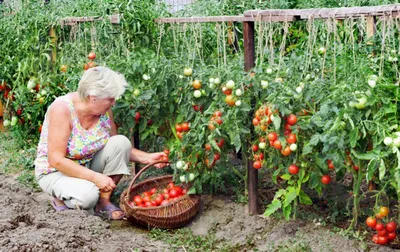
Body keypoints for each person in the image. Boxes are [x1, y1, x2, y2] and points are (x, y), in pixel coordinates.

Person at [34, 66, 168, 220]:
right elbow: (56, 159)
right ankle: (62, 199)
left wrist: (148, 158)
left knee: (121, 142)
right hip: (56, 172)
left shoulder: (103, 110)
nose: (114, 102)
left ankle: (103, 202)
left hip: (87, 164)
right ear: (93, 98)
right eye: (110, 98)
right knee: (88, 196)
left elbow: (117, 148)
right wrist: (95, 178)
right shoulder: (62, 109)